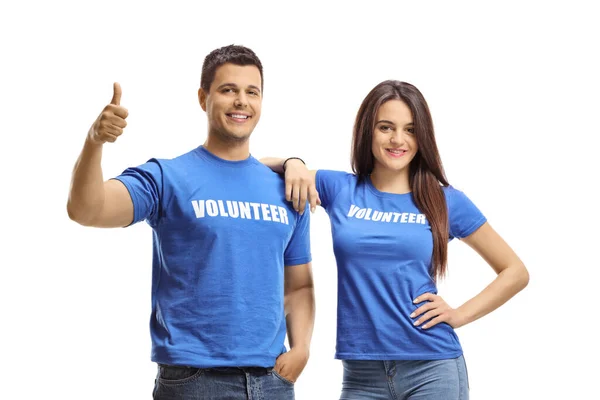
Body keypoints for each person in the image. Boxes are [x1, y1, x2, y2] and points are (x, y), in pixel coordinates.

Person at [67, 45, 315, 400]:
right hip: (194, 383)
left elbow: (300, 286)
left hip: (273, 381)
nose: (241, 101)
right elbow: (87, 210)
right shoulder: (168, 177)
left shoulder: (288, 188)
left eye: (252, 92)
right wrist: (95, 142)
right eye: (228, 90)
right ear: (203, 97)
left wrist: (302, 348)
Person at [262, 80, 529, 399]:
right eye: (386, 127)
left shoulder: (445, 201)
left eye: (410, 129)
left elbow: (515, 271)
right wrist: (293, 162)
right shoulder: (340, 189)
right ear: (367, 131)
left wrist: (459, 314)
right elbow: (249, 171)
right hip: (361, 374)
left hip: (432, 367)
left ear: (423, 137)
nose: (398, 139)